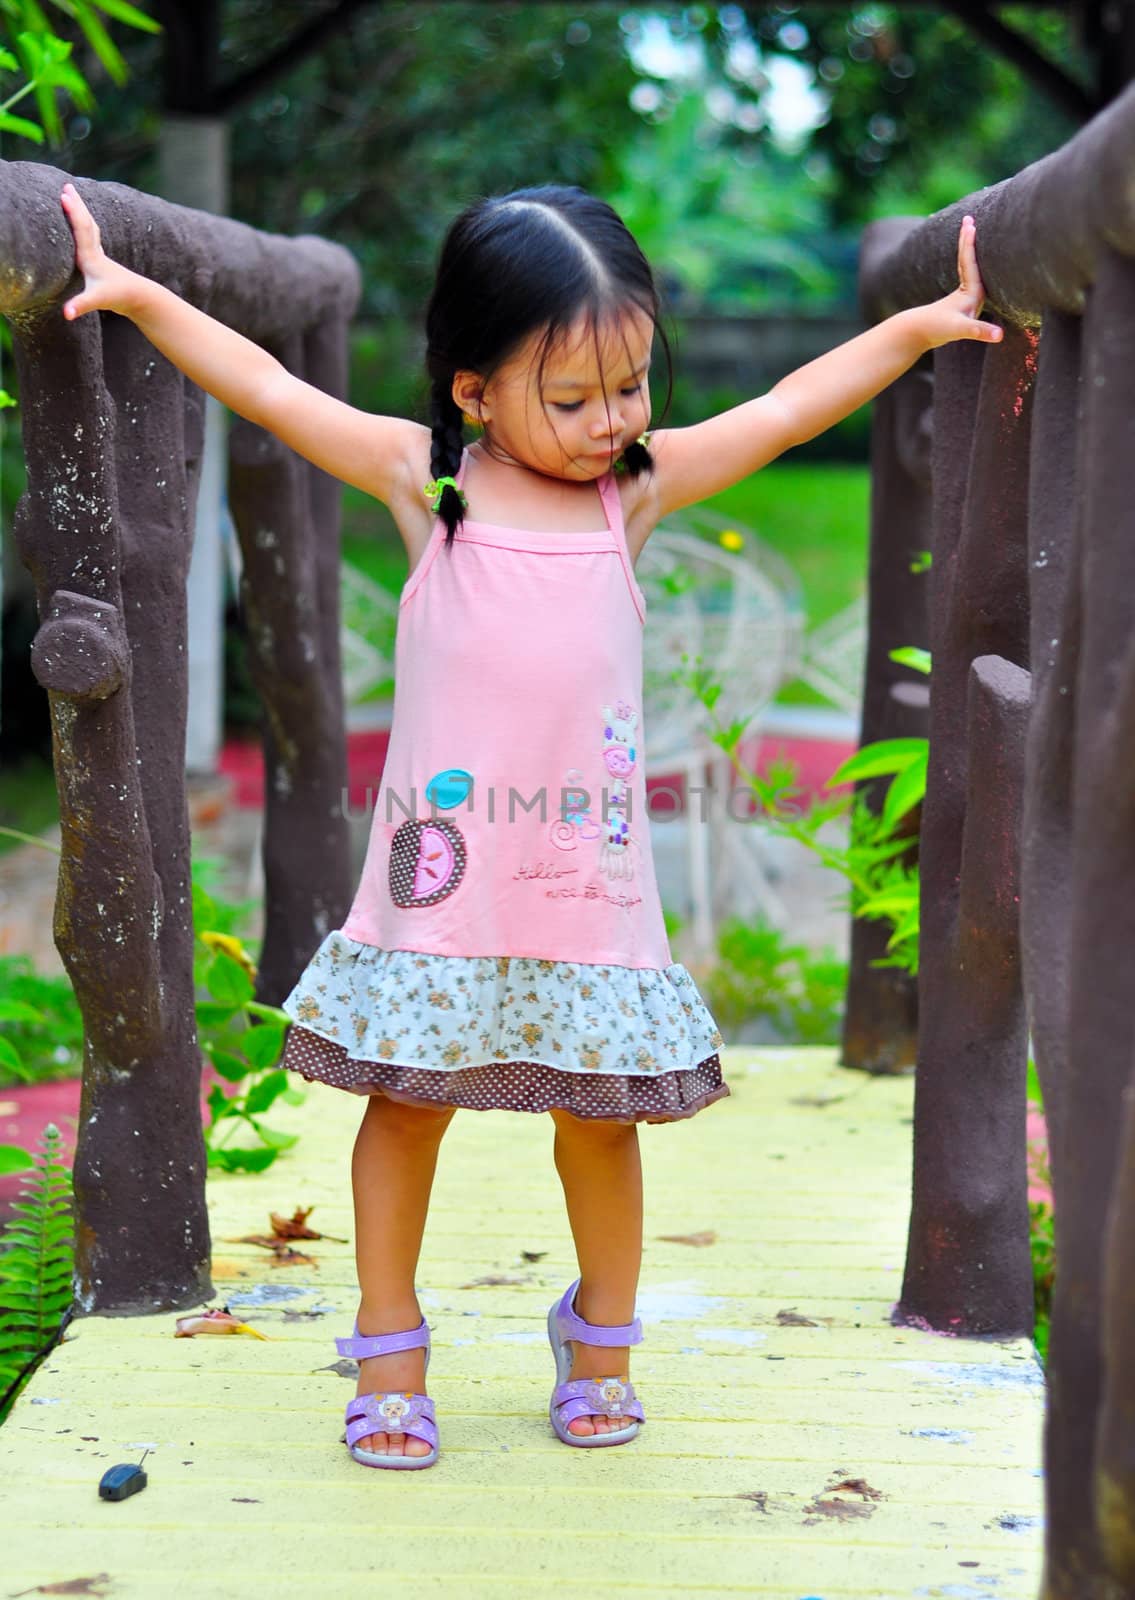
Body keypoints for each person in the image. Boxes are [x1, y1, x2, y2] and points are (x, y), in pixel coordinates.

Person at [60, 179, 1001, 1471]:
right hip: (441, 891)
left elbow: (783, 411)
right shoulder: (426, 482)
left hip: (583, 891)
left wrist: (912, 333)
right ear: (471, 391)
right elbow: (273, 394)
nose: (612, 421)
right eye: (572, 399)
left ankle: (599, 1335)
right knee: (403, 1107)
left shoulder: (637, 490)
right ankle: (388, 1339)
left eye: (630, 386)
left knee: (600, 1119)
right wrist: (146, 296)